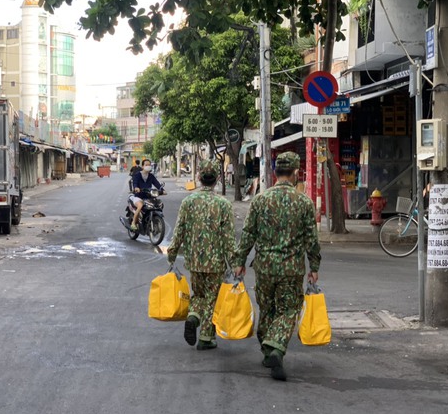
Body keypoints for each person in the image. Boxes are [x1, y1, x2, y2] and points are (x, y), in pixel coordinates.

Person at [233, 151, 321, 381]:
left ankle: (267, 351)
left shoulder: (261, 199)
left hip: (264, 267)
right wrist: (314, 266)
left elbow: (248, 233)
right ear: (295, 173)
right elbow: (311, 239)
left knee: (267, 308)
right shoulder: (304, 202)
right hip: (291, 268)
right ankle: (277, 347)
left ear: (274, 173)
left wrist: (239, 262)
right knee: (288, 310)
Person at [167, 160, 236, 351]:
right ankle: (206, 338)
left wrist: (172, 253)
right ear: (216, 180)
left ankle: (193, 316)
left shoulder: (188, 201)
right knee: (212, 298)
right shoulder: (223, 204)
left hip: (194, 260)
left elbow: (179, 230)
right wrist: (235, 262)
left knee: (198, 294)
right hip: (216, 262)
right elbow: (229, 237)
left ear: (199, 178)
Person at [130, 158, 163, 230]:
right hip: (138, 197)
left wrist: (162, 190)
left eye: (149, 165)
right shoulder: (137, 175)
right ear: (142, 166)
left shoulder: (151, 176)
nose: (148, 166)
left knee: (158, 204)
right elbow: (135, 183)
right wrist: (136, 188)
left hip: (148, 197)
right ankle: (133, 223)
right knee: (140, 205)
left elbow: (157, 184)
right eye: (146, 165)